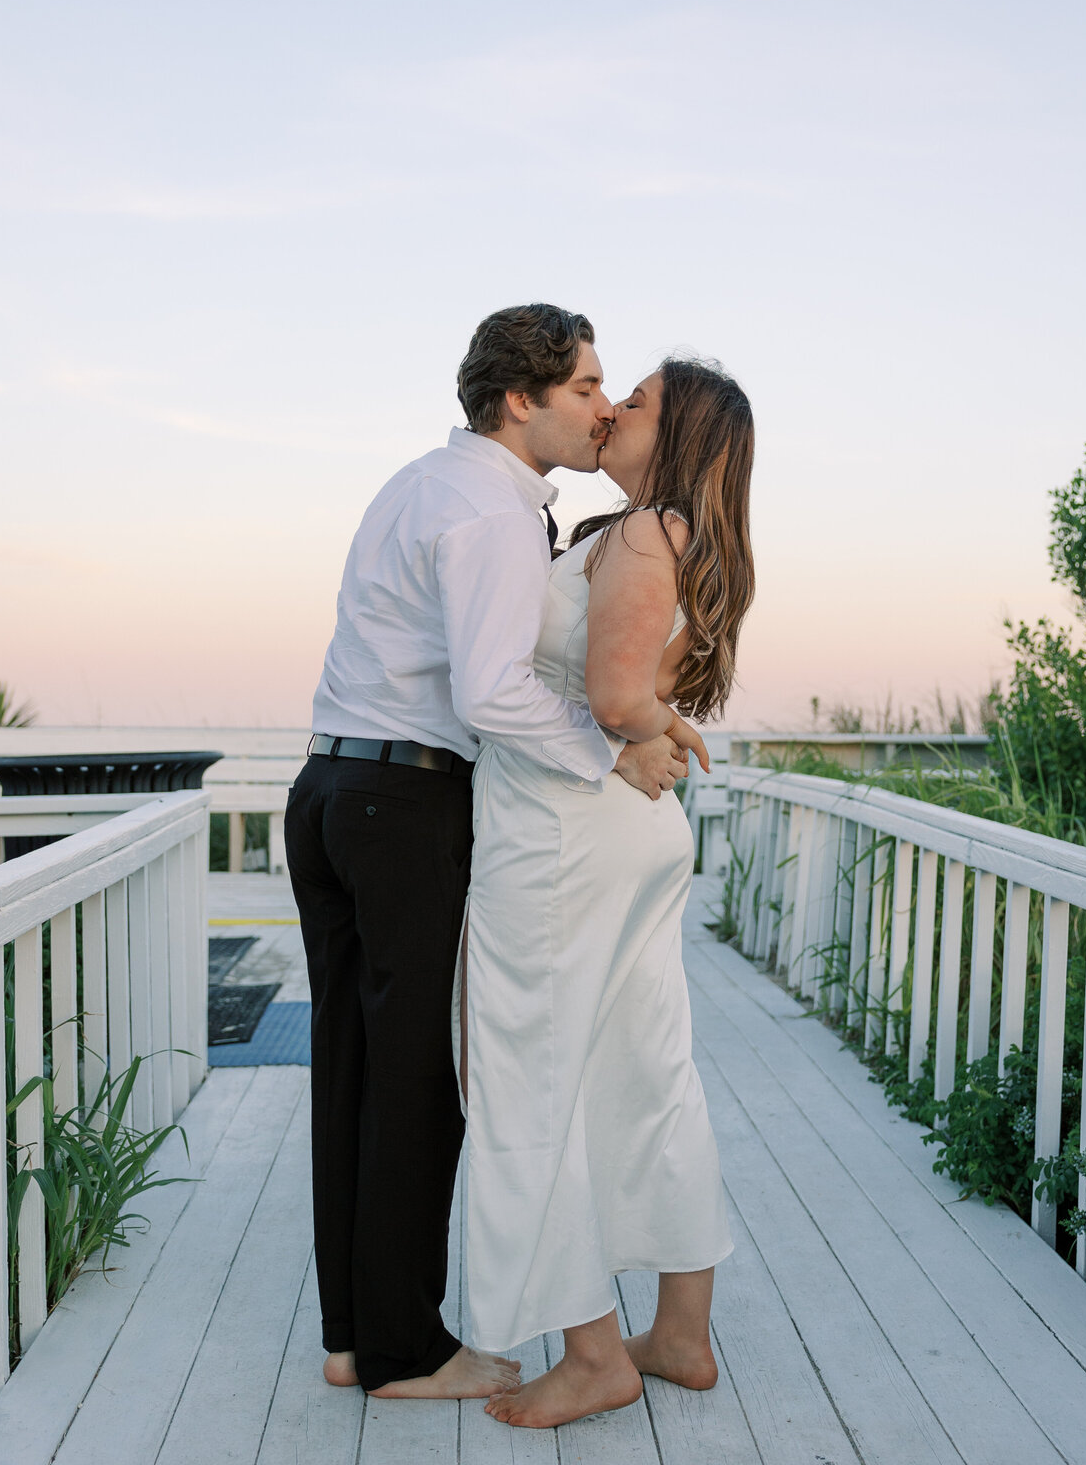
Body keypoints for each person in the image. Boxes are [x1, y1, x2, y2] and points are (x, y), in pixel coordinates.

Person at [283, 304, 688, 1401]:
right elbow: (494, 690)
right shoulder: (497, 513)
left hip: (329, 786)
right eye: (587, 387)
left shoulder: (422, 481)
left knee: (352, 1073)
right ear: (523, 400)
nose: (604, 407)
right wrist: (611, 757)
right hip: (403, 804)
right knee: (418, 1077)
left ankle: (354, 1338)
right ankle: (406, 1353)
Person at [461, 356, 756, 1430]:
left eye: (637, 402)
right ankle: (678, 1334)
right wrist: (652, 728)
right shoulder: (687, 540)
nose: (615, 409)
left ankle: (593, 1357)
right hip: (625, 835)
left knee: (532, 1071)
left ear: (676, 440)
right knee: (645, 1068)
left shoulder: (641, 532)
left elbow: (617, 690)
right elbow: (645, 692)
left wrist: (642, 727)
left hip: (563, 838)